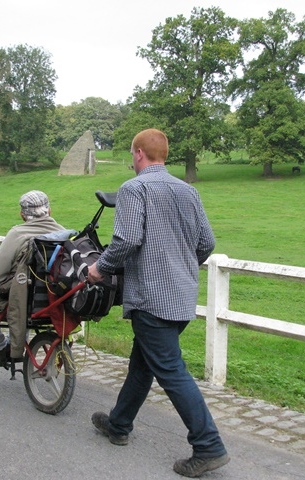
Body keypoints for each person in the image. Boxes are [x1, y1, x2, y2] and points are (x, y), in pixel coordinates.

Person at [87, 129, 229, 477]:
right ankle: (119, 424)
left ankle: (208, 445)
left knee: (169, 369)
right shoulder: (187, 190)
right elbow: (206, 242)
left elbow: (126, 240)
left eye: (132, 154)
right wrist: (180, 269)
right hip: (180, 298)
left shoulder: (134, 189)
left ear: (138, 154)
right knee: (143, 363)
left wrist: (98, 269)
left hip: (151, 300)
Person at [0, 190, 68, 365]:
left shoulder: (17, 234)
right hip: (56, 300)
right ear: (49, 211)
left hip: (25, 301)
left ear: (22, 214)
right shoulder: (64, 234)